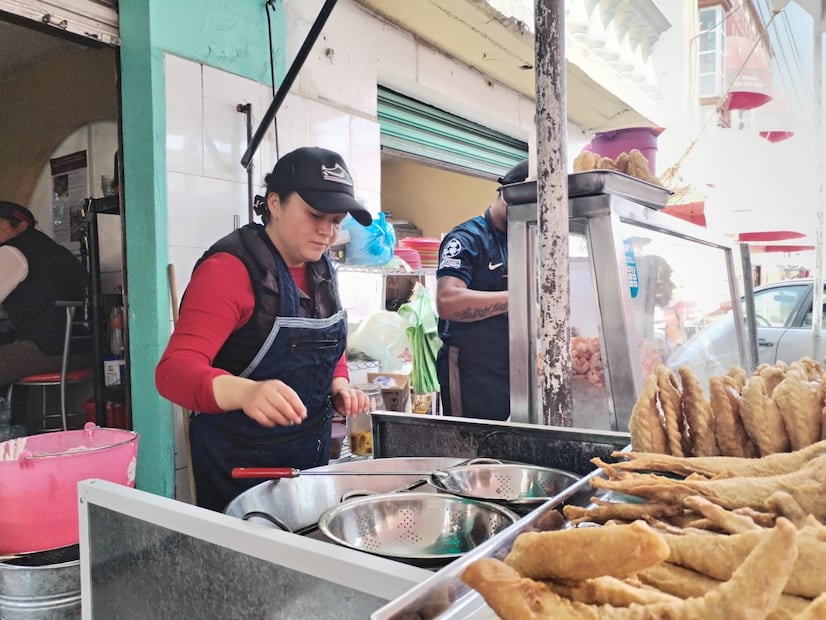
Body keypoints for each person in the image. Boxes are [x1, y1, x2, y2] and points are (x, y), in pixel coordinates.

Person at [156, 147, 371, 512]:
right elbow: (173, 373)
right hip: (239, 466)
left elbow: (328, 349)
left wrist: (340, 384)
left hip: (309, 459)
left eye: (336, 221)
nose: (327, 232)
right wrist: (246, 393)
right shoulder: (230, 270)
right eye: (315, 215)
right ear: (275, 202)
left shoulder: (322, 269)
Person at [435, 160, 529, 421]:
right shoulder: (466, 239)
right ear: (509, 198)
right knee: (471, 449)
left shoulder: (523, 237)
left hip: (512, 368)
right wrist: (520, 298)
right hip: (470, 370)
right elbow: (447, 300)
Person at [0, 201, 87, 391]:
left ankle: (12, 419)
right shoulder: (54, 251)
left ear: (22, 225)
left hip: (49, 349)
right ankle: (15, 419)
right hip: (83, 349)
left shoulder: (12, 251)